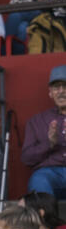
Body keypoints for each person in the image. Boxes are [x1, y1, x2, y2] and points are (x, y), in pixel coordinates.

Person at [22, 66, 66, 200]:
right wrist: (49, 144)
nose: (61, 91)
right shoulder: (36, 121)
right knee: (39, 180)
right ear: (50, 93)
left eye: (65, 86)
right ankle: (45, 214)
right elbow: (27, 159)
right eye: (56, 87)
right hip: (50, 174)